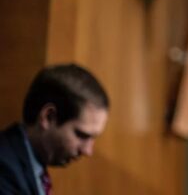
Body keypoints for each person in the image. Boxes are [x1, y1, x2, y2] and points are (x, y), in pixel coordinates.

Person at [0, 64, 109, 195]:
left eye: (93, 137)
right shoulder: (4, 170)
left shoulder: (31, 165)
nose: (87, 151)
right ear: (48, 117)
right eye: (81, 135)